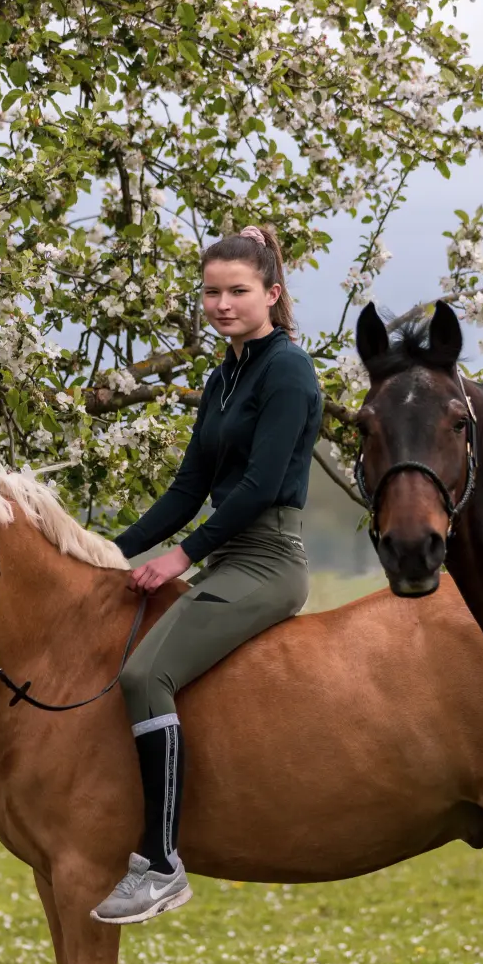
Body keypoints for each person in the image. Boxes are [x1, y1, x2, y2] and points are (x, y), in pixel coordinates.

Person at [91, 226, 323, 925]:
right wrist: (104, 550)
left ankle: (161, 866)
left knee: (142, 676)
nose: (221, 304)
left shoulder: (288, 370)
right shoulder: (224, 377)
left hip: (269, 559)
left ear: (271, 295)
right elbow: (188, 487)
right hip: (228, 552)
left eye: (237, 292)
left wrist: (181, 557)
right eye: (211, 292)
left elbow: (255, 488)